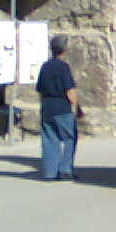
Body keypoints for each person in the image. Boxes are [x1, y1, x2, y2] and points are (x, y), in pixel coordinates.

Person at [35, 33, 81, 181]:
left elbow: (40, 90)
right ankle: (65, 170)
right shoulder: (63, 67)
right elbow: (70, 91)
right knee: (69, 138)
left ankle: (50, 172)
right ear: (64, 50)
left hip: (47, 107)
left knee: (49, 139)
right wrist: (77, 107)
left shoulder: (45, 66)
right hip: (62, 108)